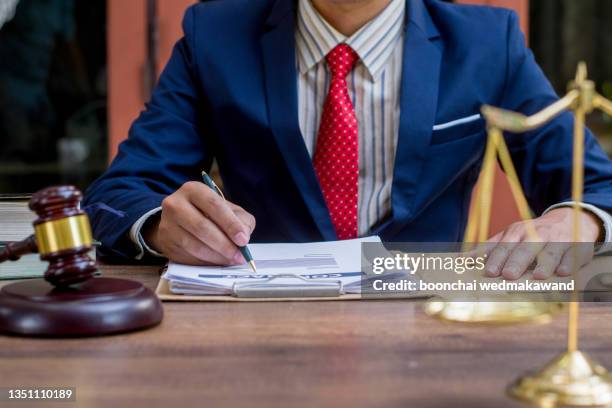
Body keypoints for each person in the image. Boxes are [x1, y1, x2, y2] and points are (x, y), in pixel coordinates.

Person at [84, 0, 612, 280]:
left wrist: (578, 219)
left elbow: (599, 185)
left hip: (429, 323)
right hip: (259, 323)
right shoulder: (214, 36)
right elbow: (119, 191)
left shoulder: (486, 44)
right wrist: (158, 225)